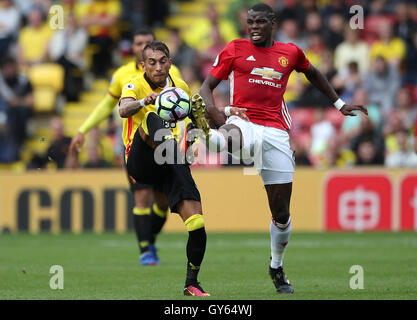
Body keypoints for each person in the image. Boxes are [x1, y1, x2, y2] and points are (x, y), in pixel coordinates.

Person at [198, 3, 368, 294]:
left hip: (276, 133)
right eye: (250, 21)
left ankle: (276, 266)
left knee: (281, 214)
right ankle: (204, 135)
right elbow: (205, 87)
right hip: (243, 120)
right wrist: (212, 110)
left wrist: (339, 104)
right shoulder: (234, 49)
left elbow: (313, 73)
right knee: (233, 135)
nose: (253, 27)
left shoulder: (290, 53)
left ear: (272, 23)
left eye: (260, 22)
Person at [68, 28, 181, 266]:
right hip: (136, 146)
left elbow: (184, 107)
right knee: (142, 196)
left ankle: (148, 240)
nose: (143, 46)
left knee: (162, 203)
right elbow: (107, 106)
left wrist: (187, 135)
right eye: (139, 43)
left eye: (147, 43)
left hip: (164, 145)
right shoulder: (123, 75)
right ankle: (145, 251)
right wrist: (83, 130)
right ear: (134, 48)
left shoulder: (171, 73)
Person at [119, 41, 209, 296]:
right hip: (141, 160)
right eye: (152, 62)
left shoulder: (179, 88)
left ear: (170, 62)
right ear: (143, 65)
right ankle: (174, 155)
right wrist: (142, 101)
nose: (158, 67)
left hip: (169, 161)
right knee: (151, 117)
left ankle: (192, 282)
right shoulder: (134, 85)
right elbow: (123, 109)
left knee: (197, 223)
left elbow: (194, 120)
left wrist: (200, 130)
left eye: (162, 61)